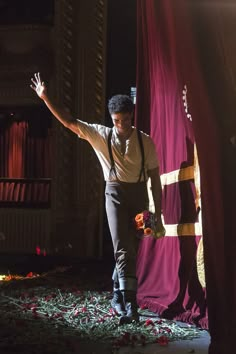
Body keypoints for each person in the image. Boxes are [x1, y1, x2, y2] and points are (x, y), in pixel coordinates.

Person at [30, 72, 165, 325]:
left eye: (125, 119)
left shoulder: (145, 141)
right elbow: (70, 122)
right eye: (117, 120)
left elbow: (155, 179)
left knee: (130, 251)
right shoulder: (101, 135)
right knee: (123, 249)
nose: (122, 125)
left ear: (132, 116)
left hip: (138, 197)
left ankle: (117, 293)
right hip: (114, 194)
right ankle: (129, 307)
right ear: (111, 119)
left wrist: (157, 211)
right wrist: (46, 97)